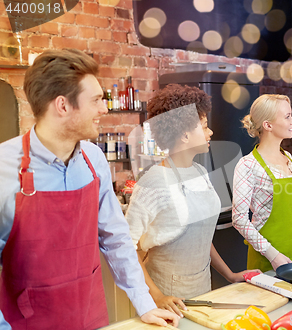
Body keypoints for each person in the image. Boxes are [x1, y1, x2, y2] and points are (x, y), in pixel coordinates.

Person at [0, 49, 179, 329]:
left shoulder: (93, 159)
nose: (104, 109)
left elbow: (116, 238)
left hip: (90, 315)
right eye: (96, 100)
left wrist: (145, 304)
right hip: (26, 321)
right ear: (62, 106)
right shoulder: (3, 167)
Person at [125, 84, 259, 313]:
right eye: (205, 127)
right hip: (167, 298)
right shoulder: (154, 182)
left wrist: (229, 275)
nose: (211, 133)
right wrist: (157, 296)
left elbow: (201, 235)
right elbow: (126, 249)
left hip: (202, 290)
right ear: (185, 135)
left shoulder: (200, 172)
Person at [232, 94, 292, 272]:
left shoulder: (288, 157)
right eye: (287, 117)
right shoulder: (248, 165)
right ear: (268, 125)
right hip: (268, 261)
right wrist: (273, 255)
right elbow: (239, 219)